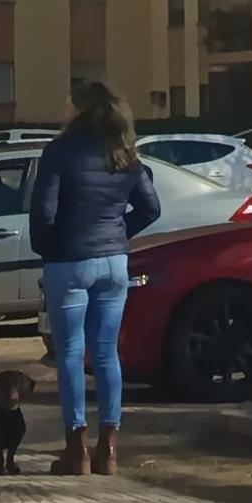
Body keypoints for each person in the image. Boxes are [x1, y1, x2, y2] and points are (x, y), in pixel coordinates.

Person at [29, 82, 160, 477]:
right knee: (105, 353)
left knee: (69, 353)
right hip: (114, 263)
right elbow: (151, 207)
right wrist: (120, 234)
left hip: (70, 261)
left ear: (81, 110)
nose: (63, 108)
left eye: (69, 102)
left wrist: (48, 250)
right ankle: (109, 450)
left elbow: (43, 212)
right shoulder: (124, 153)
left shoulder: (59, 151)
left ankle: (77, 450)